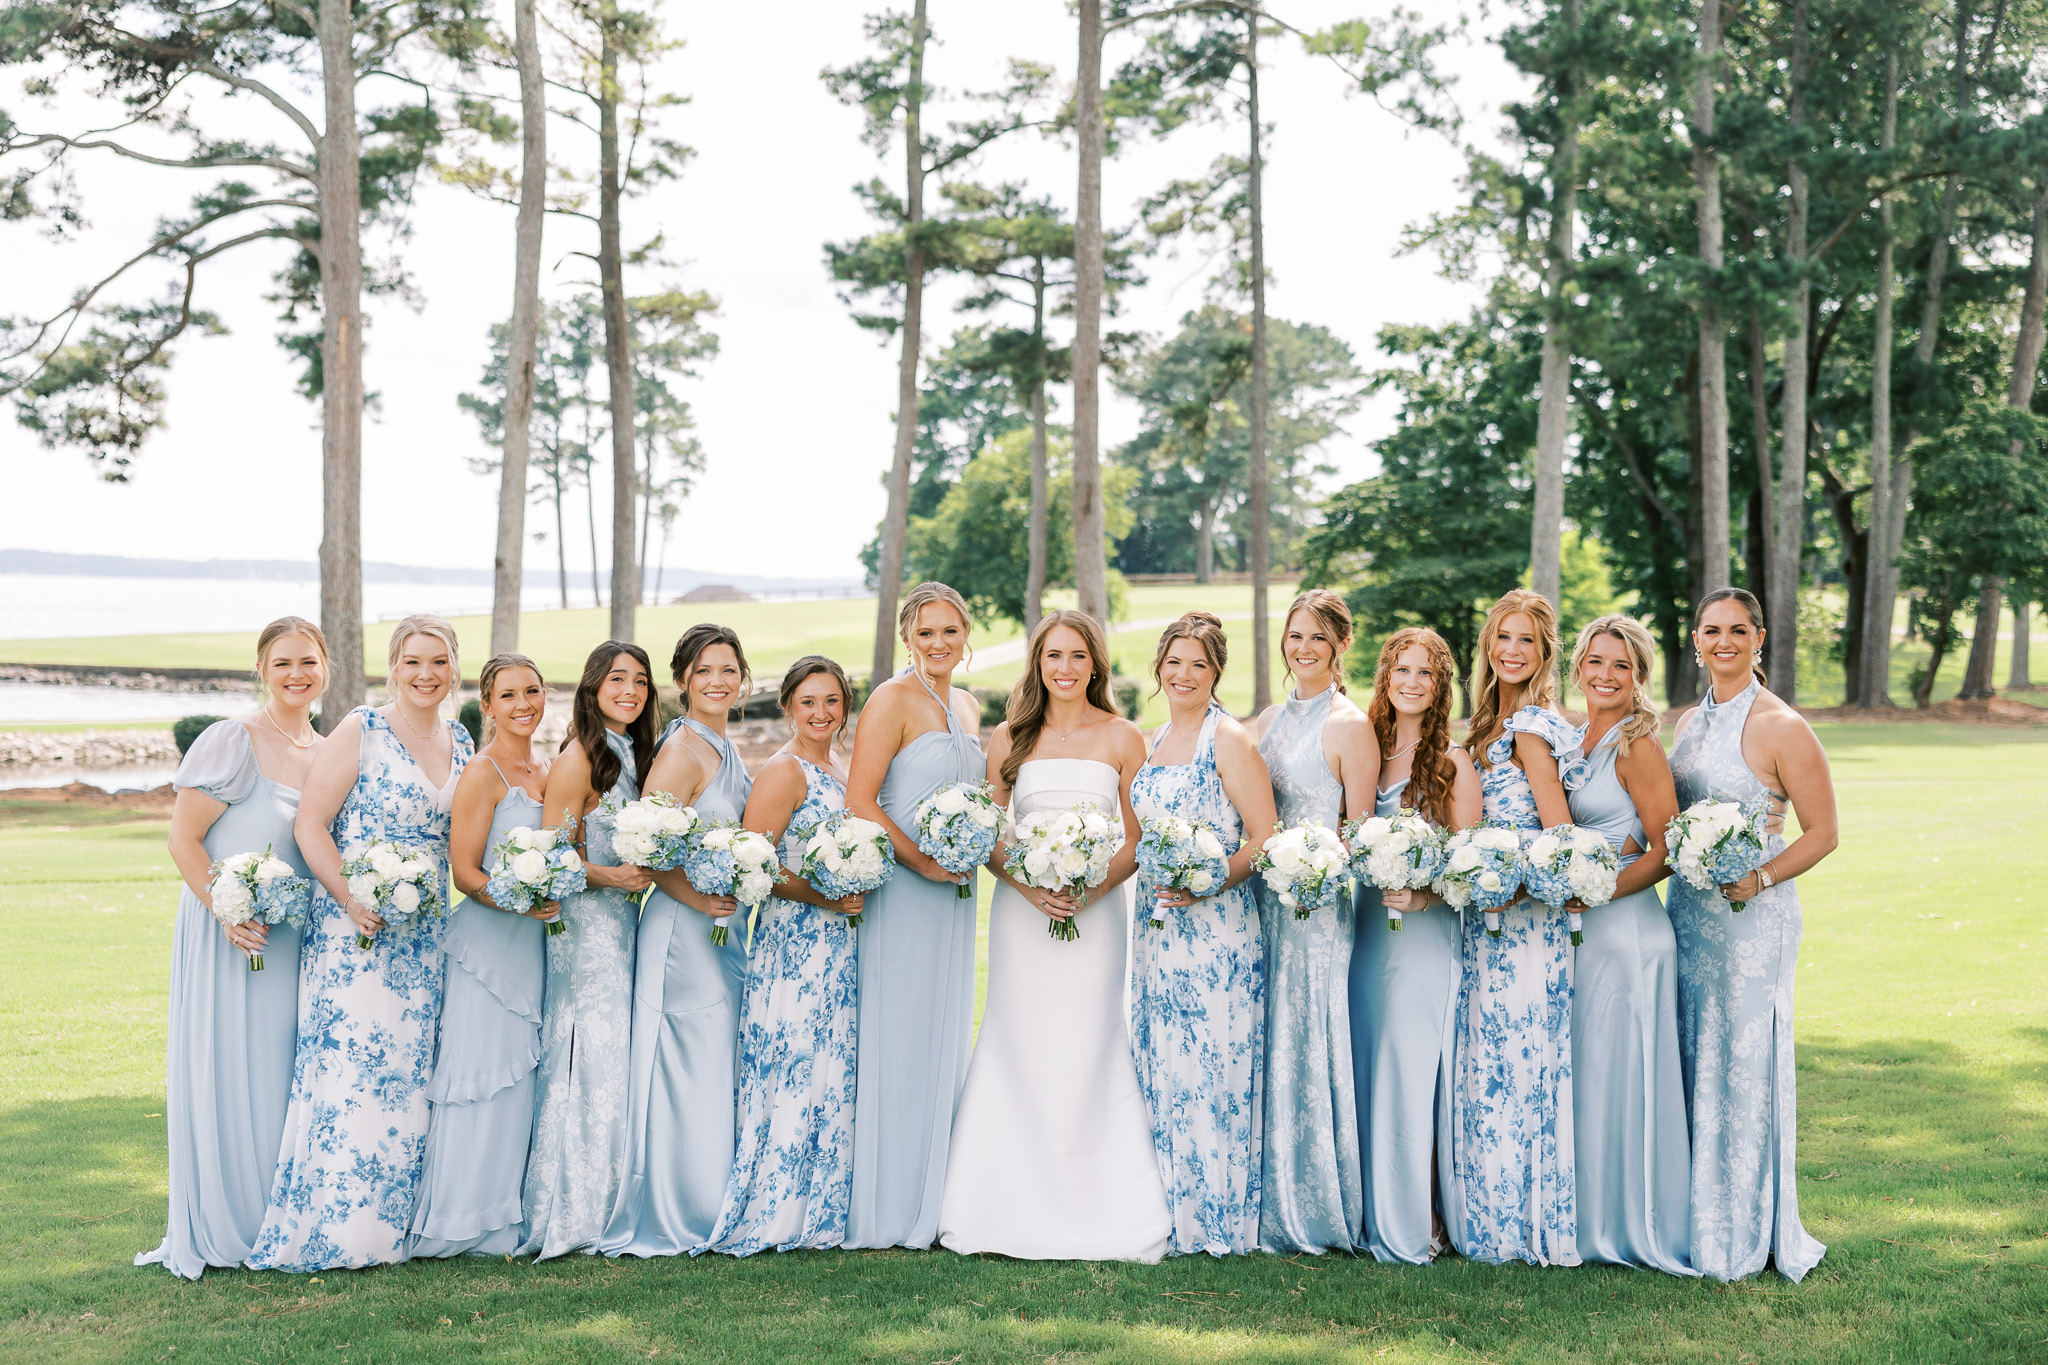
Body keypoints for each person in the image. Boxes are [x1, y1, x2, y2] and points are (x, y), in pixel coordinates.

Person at [938, 610, 1170, 1261]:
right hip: (1023, 912)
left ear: (1095, 664)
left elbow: (1137, 838)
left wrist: (1090, 891)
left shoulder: (1124, 736)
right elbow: (986, 833)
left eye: (1076, 656)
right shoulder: (1010, 737)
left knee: (1089, 1039)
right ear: (1037, 664)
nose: (1064, 668)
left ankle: (1097, 1198)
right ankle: (1004, 1199)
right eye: (1052, 656)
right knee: (1019, 1037)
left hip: (1098, 913)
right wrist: (1027, 886)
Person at [248, 615, 473, 1271]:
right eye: (412, 661)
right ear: (392, 667)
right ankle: (340, 1228)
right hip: (355, 934)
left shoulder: (461, 738)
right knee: (354, 1069)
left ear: (454, 668)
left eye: (438, 661)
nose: (426, 674)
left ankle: (401, 1225)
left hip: (426, 935)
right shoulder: (361, 729)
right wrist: (351, 896)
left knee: (411, 1073)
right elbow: (311, 824)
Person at [138, 617, 328, 1279]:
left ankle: (282, 1217)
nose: (297, 674)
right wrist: (227, 910)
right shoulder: (231, 740)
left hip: (295, 938)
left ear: (325, 667)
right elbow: (183, 839)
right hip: (231, 934)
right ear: (261, 669)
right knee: (234, 1065)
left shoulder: (328, 749)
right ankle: (231, 1219)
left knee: (283, 1070)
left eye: (308, 661)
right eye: (283, 663)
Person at [1669, 588, 1837, 1282]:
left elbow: (1823, 832)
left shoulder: (1782, 725)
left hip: (1752, 921)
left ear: (1759, 638)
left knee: (1742, 1059)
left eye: (1738, 630)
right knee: (1691, 1051)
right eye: (1712, 630)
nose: (1724, 641)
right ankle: (1688, 1214)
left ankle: (1742, 1225)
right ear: (1696, 640)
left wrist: (1761, 877)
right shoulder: (1688, 722)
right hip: (1690, 913)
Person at [699, 657, 865, 1255]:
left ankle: (822, 1199)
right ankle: (777, 1203)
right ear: (788, 706)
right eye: (808, 702)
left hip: (840, 939)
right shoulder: (783, 770)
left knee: (829, 1060)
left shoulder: (842, 768)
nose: (821, 713)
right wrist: (824, 895)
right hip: (795, 941)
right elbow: (757, 866)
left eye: (831, 701)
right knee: (795, 1057)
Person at [602, 625, 754, 1257]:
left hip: (720, 927)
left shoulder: (724, 745)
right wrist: (701, 901)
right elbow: (645, 850)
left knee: (714, 1059)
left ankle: (715, 1193)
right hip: (682, 931)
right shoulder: (682, 751)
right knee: (685, 1061)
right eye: (704, 671)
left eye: (728, 670)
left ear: (742, 678)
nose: (717, 681)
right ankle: (678, 1207)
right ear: (683, 680)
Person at [842, 583, 985, 1250]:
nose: (938, 643)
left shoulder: (967, 704)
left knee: (942, 1029)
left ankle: (938, 1193)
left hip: (954, 893)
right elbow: (861, 799)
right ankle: (893, 1201)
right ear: (907, 638)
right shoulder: (890, 699)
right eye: (925, 632)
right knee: (900, 1033)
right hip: (904, 888)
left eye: (949, 631)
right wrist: (922, 863)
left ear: (965, 634)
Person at [1129, 612, 1275, 1257]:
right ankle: (1165, 1206)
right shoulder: (1155, 738)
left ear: (1216, 673)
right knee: (1163, 1057)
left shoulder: (1230, 739)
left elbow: (1264, 837)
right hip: (1156, 928)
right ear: (1159, 667)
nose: (1183, 675)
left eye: (1198, 664)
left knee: (1211, 1062)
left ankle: (1214, 1214)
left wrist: (1208, 881)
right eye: (1174, 662)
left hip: (1216, 929)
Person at [1444, 588, 1582, 1268]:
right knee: (1485, 1061)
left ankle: (1523, 1223)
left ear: (1545, 651)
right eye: (1502, 636)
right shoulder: (1483, 724)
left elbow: (1559, 836)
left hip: (1526, 922)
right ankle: (1484, 1214)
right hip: (1482, 917)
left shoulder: (1531, 727)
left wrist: (1509, 880)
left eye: (1526, 639)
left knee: (1522, 1062)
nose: (1512, 650)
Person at [409, 653, 556, 1258]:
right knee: (482, 1078)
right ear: (487, 705)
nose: (524, 705)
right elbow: (465, 873)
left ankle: (508, 1213)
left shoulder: (547, 769)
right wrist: (520, 902)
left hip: (537, 945)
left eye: (532, 692)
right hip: (488, 948)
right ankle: (463, 1221)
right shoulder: (482, 771)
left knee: (522, 1081)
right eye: (509, 695)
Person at [1564, 616, 1695, 1275]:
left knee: (1625, 1076)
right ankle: (1585, 1214)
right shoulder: (1574, 734)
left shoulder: (1636, 744)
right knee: (1590, 1073)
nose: (1606, 674)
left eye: (1621, 664)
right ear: (1579, 665)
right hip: (1585, 933)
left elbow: (1667, 849)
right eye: (1596, 660)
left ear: (1639, 674)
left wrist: (1598, 890)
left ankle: (1632, 1222)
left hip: (1629, 933)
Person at [1347, 627, 1481, 1264]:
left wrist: (1424, 896)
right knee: (1369, 1061)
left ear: (1440, 686)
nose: (1411, 681)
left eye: (1425, 673)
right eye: (1402, 669)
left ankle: (1418, 1215)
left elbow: (1472, 864)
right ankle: (1365, 1206)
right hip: (1366, 931)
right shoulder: (1365, 750)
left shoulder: (1453, 762)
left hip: (1423, 936)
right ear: (1385, 676)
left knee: (1411, 1067)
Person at [520, 642, 658, 1259]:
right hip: (585, 929)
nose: (630, 691)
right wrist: (612, 876)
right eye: (617, 679)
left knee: (614, 1057)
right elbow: (552, 857)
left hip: (624, 924)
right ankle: (573, 1209)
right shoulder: (579, 757)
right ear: (593, 688)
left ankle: (611, 1196)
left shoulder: (633, 754)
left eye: (640, 681)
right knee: (588, 1057)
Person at [1252, 589, 1379, 1253]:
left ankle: (1315, 1199)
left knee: (1307, 1034)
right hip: (1262, 900)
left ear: (1340, 646)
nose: (1303, 648)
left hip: (1315, 907)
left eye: (1317, 638)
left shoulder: (1350, 726)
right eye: (1295, 636)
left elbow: (1359, 832)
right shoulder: (1271, 718)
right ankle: (1260, 1186)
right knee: (1267, 1031)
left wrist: (1314, 869)